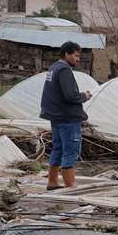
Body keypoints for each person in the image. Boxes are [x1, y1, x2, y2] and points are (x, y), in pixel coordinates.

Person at [40, 41, 88, 190]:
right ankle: (71, 186)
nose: (78, 59)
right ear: (67, 54)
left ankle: (52, 182)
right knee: (71, 150)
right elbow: (70, 95)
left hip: (56, 116)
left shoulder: (53, 68)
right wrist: (85, 95)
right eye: (76, 55)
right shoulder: (64, 70)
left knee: (58, 149)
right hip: (67, 117)